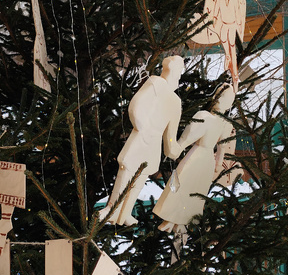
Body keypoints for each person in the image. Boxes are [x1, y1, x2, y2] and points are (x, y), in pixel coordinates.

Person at [97, 56, 185, 226]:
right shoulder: (156, 83)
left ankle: (126, 212)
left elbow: (171, 134)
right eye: (178, 74)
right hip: (142, 136)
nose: (179, 78)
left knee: (140, 177)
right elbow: (136, 105)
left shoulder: (175, 101)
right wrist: (141, 125)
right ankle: (112, 209)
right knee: (127, 171)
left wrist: (174, 149)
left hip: (153, 143)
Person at [153, 84, 236, 231]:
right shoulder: (213, 120)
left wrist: (177, 147)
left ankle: (181, 220)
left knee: (191, 187)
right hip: (202, 157)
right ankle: (172, 219)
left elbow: (188, 140)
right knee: (185, 184)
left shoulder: (214, 120)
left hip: (201, 157)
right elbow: (219, 146)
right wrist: (218, 164)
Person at [213, 0, 246, 91]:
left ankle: (235, 77)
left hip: (232, 24)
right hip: (222, 24)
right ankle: (228, 63)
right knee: (226, 45)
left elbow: (238, 8)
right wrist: (215, 16)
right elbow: (216, 7)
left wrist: (238, 21)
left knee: (232, 46)